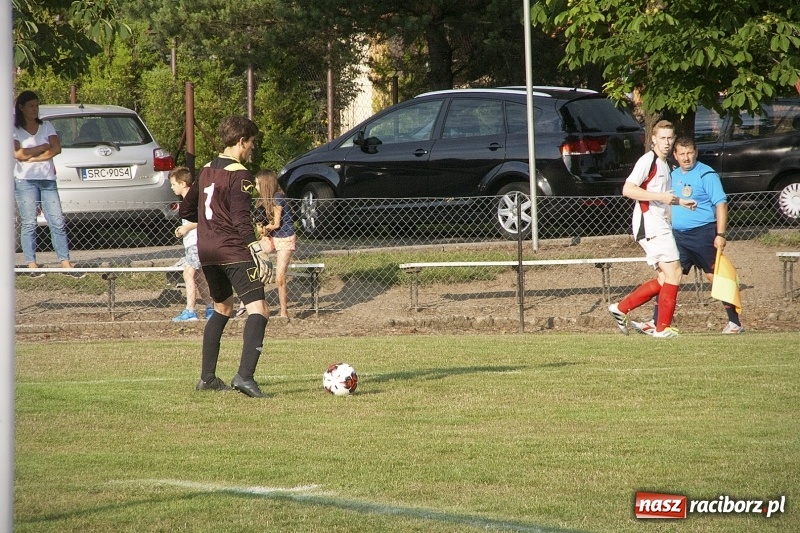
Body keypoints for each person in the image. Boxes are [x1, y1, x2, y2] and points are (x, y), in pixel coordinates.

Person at [180, 116, 273, 398]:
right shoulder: (241, 174)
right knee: (259, 310)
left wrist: (209, 224)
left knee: (222, 308)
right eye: (251, 144)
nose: (252, 150)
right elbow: (241, 219)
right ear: (242, 141)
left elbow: (186, 210)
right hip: (232, 249)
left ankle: (207, 379)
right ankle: (244, 377)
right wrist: (256, 249)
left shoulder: (206, 169)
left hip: (206, 251)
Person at [631, 137, 743, 335]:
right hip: (678, 236)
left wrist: (721, 234)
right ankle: (656, 322)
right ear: (675, 156)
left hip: (703, 234)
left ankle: (735, 323)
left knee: (714, 276)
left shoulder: (706, 174)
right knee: (667, 276)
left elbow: (721, 204)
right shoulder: (672, 175)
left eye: (689, 153)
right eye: (681, 154)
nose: (686, 157)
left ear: (696, 152)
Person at [607, 120, 697, 338]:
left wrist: (679, 202)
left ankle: (621, 308)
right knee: (674, 272)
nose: (666, 143)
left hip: (657, 223)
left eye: (670, 138)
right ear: (653, 139)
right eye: (662, 138)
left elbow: (661, 196)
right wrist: (662, 198)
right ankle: (662, 328)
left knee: (665, 279)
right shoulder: (648, 161)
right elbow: (628, 189)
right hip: (650, 224)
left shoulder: (665, 165)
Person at [13, 90, 80, 277]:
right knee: (29, 223)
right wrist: (42, 147)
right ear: (21, 108)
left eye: (37, 106)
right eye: (31, 106)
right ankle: (31, 263)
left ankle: (65, 262)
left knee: (57, 220)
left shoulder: (47, 126)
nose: (35, 109)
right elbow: (18, 154)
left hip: (47, 179)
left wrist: (35, 156)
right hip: (25, 180)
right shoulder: (15, 129)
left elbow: (56, 148)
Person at [169, 166, 214, 322]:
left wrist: (187, 227)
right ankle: (210, 308)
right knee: (200, 278)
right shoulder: (186, 200)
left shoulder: (193, 199)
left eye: (173, 184)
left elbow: (203, 219)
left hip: (196, 242)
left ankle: (190, 311)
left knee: (188, 274)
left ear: (183, 183)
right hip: (191, 243)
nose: (172, 187)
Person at [253, 169, 296, 318]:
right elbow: (261, 226)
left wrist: (265, 228)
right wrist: (261, 229)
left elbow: (276, 224)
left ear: (265, 184)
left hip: (284, 237)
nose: (255, 187)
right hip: (272, 237)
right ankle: (253, 305)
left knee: (279, 278)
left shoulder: (278, 197)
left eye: (257, 184)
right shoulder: (261, 202)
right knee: (253, 251)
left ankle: (284, 311)